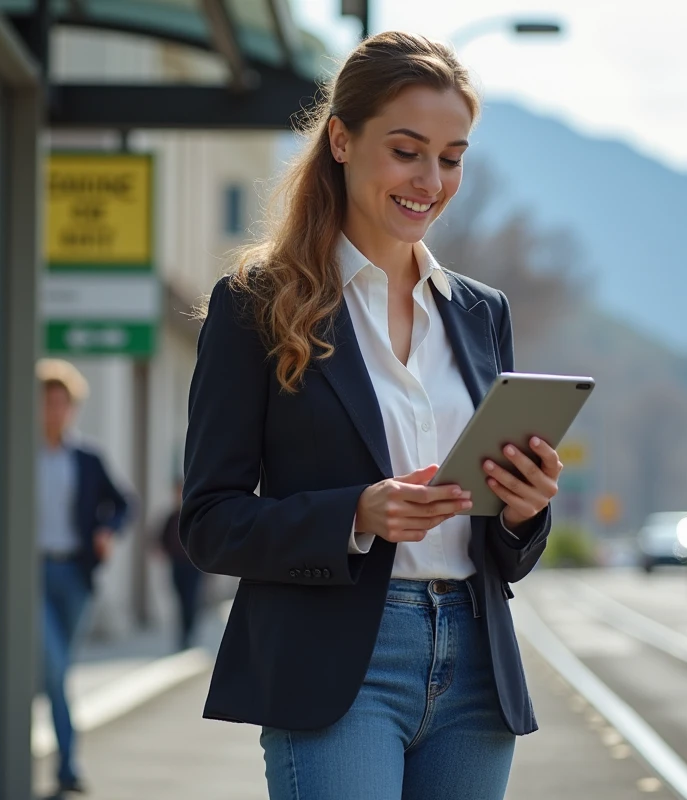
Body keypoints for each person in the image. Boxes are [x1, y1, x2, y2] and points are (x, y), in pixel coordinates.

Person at [180, 32, 561, 800]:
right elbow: (209, 521)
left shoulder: (482, 314)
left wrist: (523, 513)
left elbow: (505, 552)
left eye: (451, 157)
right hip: (336, 666)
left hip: (476, 667)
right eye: (408, 150)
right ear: (343, 140)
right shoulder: (255, 306)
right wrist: (357, 514)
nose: (431, 179)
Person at [35, 358, 130, 798]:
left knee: (57, 671)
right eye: (47, 402)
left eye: (61, 403)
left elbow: (123, 502)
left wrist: (107, 531)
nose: (54, 411)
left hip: (74, 575)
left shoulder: (87, 459)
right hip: (29, 576)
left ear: (71, 408)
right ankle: (68, 766)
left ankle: (60, 762)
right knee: (54, 670)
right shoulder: (17, 455)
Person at [154, 477, 203, 651]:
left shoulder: (195, 516)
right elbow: (159, 538)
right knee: (181, 600)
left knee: (191, 600)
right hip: (177, 565)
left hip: (193, 566)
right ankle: (183, 635)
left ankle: (189, 633)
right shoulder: (171, 517)